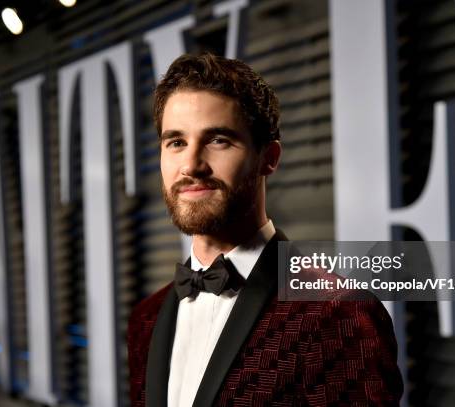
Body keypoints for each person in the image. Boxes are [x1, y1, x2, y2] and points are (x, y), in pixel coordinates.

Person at [127, 53, 403, 406]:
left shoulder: (338, 312)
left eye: (218, 140)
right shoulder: (144, 320)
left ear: (268, 157)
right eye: (176, 142)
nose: (191, 165)